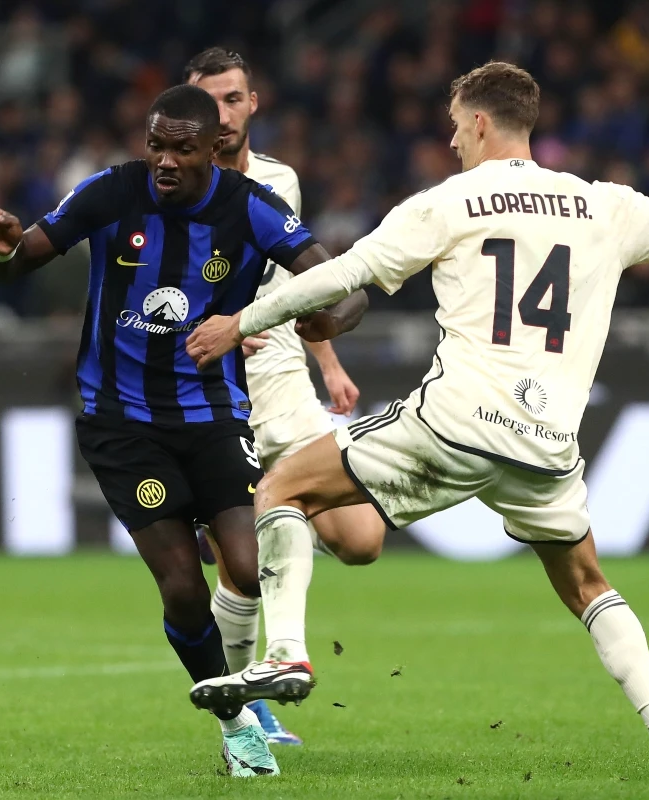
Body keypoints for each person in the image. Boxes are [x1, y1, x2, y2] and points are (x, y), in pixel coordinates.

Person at [184, 61, 649, 779]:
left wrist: (240, 321)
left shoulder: (451, 202)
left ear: (478, 122)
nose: (451, 143)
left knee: (282, 487)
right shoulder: (601, 204)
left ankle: (287, 652)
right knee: (589, 585)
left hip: (455, 424)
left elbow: (340, 274)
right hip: (546, 445)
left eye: (454, 127)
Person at [0, 83, 366, 778]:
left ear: (216, 148)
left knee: (248, 566)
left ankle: (252, 677)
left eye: (182, 149)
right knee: (183, 586)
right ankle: (237, 724)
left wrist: (327, 318)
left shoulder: (252, 208)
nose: (164, 160)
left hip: (213, 414)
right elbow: (19, 258)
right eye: (156, 145)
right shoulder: (112, 191)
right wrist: (4, 252)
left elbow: (348, 285)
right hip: (121, 424)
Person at [183, 47, 388, 747]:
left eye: (232, 99)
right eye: (208, 102)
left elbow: (300, 284)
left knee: (362, 540)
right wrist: (207, 331)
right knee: (244, 570)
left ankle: (272, 523)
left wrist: (327, 359)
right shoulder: (169, 190)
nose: (222, 114)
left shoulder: (280, 181)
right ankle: (245, 715)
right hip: (210, 389)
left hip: (283, 378)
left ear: (253, 103)